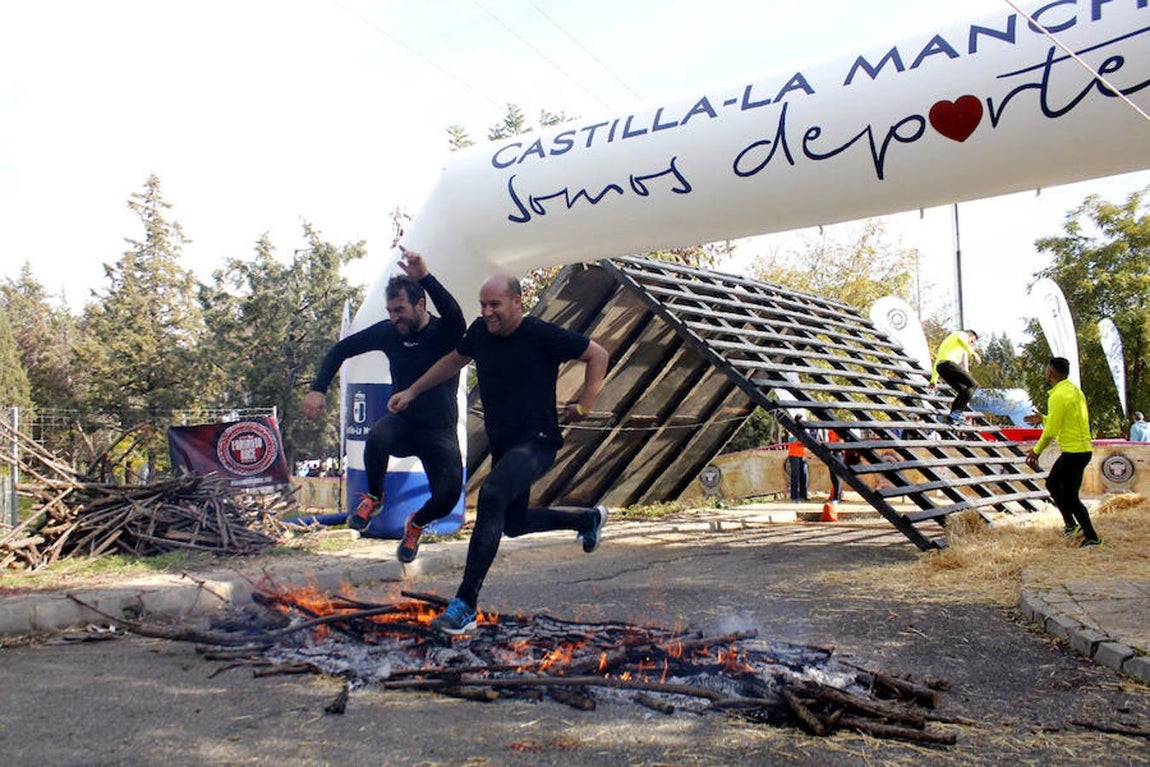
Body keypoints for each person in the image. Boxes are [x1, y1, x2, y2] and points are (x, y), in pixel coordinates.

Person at [388, 273, 610, 634]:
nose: (488, 312)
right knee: (513, 523)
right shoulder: (479, 333)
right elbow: (451, 361)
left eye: (495, 304)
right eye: (483, 305)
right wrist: (412, 391)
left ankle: (465, 603)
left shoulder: (540, 334)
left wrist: (585, 405)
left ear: (517, 302)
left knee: (491, 494)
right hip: (505, 444)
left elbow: (597, 353)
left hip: (538, 441)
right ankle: (587, 520)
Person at [303, 247, 465, 563]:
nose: (394, 318)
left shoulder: (444, 331)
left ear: (420, 304)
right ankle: (375, 497)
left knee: (446, 498)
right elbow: (340, 350)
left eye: (400, 309)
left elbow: (456, 314)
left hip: (439, 430)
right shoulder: (388, 332)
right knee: (378, 435)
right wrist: (317, 389)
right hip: (404, 422)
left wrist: (426, 277)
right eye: (390, 310)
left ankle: (416, 524)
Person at [1025, 357, 1101, 547]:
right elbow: (1061, 420)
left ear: (1050, 372)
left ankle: (1092, 537)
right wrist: (1043, 417)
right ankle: (1071, 525)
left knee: (1070, 496)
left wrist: (1036, 451)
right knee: (1053, 484)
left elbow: (1051, 431)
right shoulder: (1074, 391)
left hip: (1074, 453)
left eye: (1046, 369)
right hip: (1079, 451)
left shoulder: (1058, 396)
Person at [928, 329, 982, 424]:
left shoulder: (947, 343)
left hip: (941, 368)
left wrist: (934, 380)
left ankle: (952, 417)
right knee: (973, 384)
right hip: (949, 365)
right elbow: (962, 340)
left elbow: (937, 361)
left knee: (963, 390)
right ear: (970, 336)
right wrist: (973, 354)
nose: (971, 344)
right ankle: (956, 413)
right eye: (972, 341)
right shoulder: (961, 334)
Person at [787, 417, 809, 502]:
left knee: (804, 475)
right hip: (793, 454)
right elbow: (790, 439)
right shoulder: (791, 429)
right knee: (795, 475)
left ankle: (803, 495)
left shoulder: (804, 429)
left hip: (802, 455)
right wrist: (798, 435)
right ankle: (794, 496)